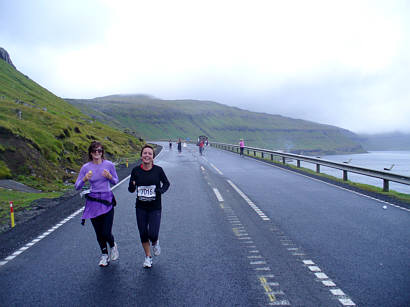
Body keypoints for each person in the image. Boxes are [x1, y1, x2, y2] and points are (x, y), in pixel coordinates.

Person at [75, 141, 119, 267]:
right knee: (99, 232)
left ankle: (113, 245)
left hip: (107, 200)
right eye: (94, 151)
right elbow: (77, 186)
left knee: (106, 232)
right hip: (93, 202)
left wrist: (110, 176)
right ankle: (104, 255)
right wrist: (84, 179)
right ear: (90, 153)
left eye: (99, 151)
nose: (97, 153)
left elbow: (116, 181)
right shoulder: (86, 168)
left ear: (102, 152)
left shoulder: (109, 165)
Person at [128, 145, 170, 268]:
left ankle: (156, 241)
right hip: (140, 207)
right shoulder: (135, 171)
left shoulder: (158, 170)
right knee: (143, 233)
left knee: (153, 233)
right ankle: (148, 257)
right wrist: (132, 184)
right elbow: (131, 189)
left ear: (153, 157)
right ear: (141, 156)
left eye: (149, 154)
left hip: (155, 207)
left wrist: (161, 190)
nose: (147, 155)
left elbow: (167, 183)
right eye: (145, 153)